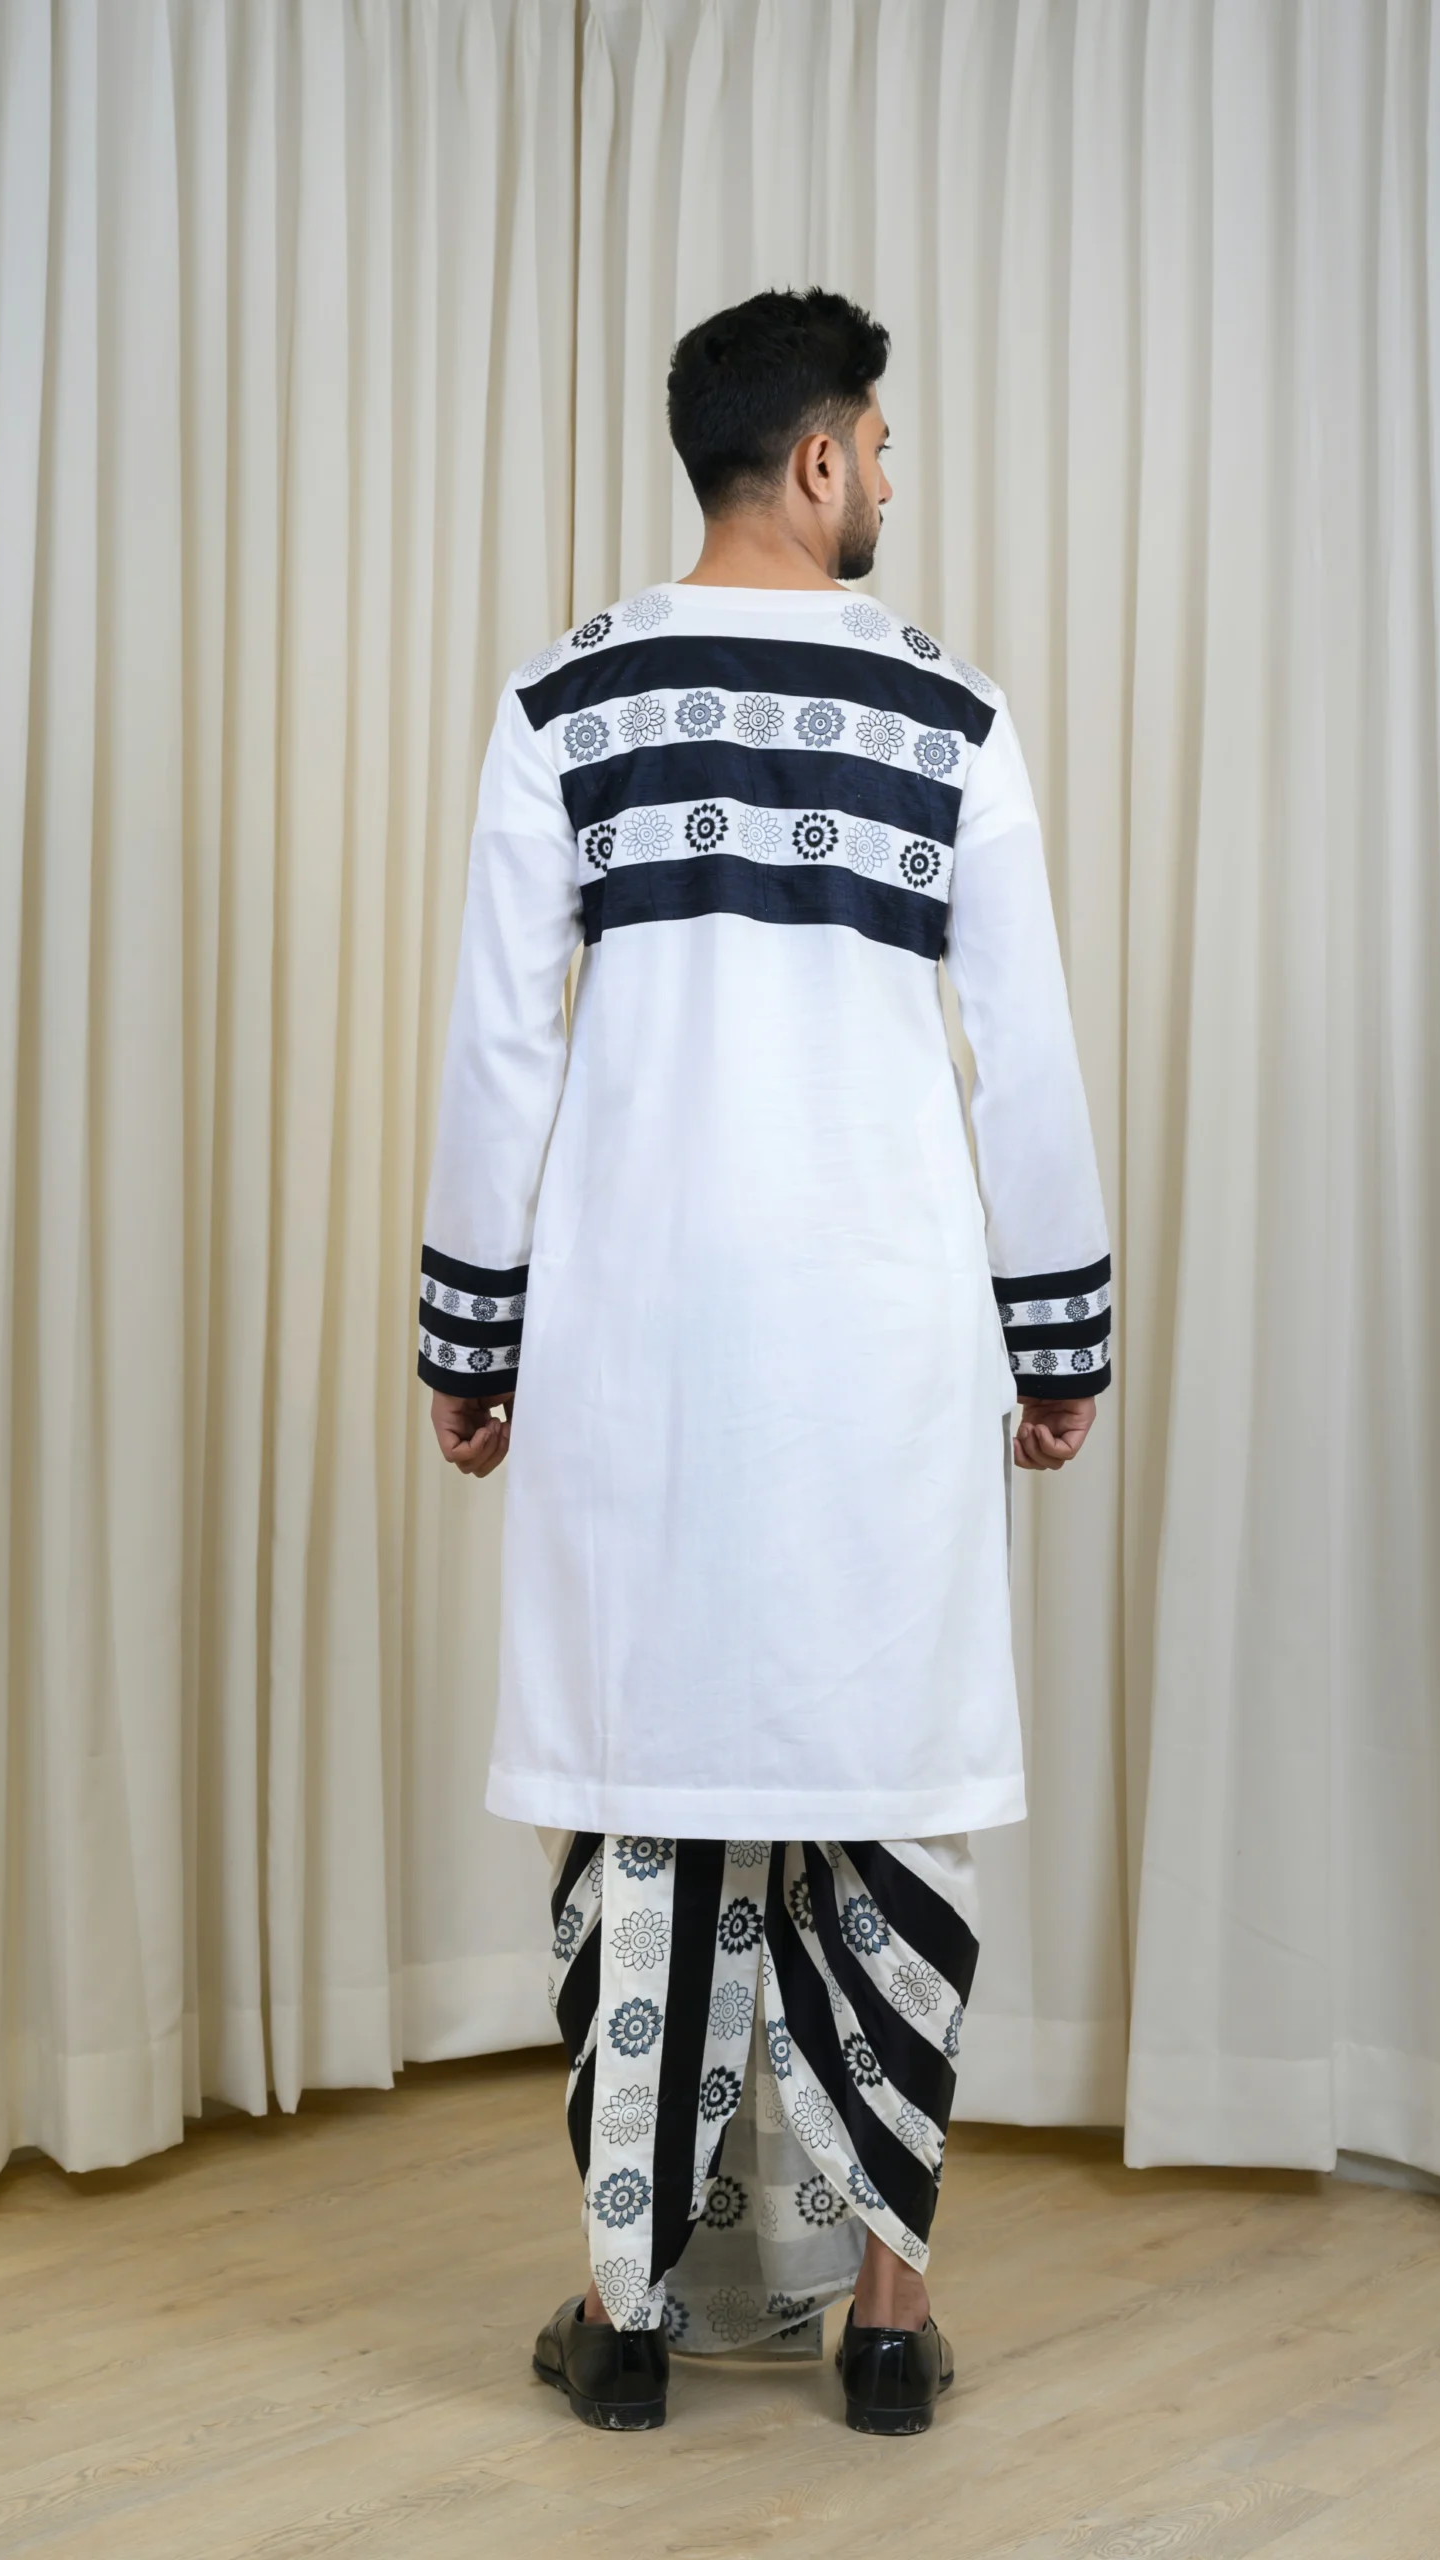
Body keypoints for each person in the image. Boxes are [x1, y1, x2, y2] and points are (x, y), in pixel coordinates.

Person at [419, 287, 1109, 2435]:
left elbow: (498, 1053)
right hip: (877, 1346)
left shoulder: (564, 700)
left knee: (645, 1797)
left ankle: (622, 2317)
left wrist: (469, 1332)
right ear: (813, 460)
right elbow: (1024, 1063)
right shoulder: (948, 715)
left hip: (634, 1347)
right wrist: (1057, 1334)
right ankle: (885, 2327)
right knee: (888, 1797)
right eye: (878, 443)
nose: (889, 474)